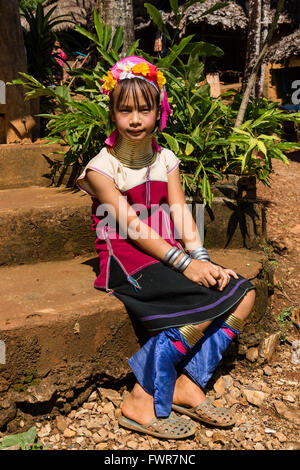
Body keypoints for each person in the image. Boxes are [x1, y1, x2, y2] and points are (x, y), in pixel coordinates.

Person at [76, 56, 256, 440]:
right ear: (112, 112)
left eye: (145, 109)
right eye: (125, 110)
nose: (136, 119)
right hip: (127, 261)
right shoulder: (100, 169)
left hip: (166, 253)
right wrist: (186, 266)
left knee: (242, 293)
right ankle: (141, 397)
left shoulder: (166, 159)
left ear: (160, 112)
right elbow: (132, 226)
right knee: (203, 304)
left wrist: (203, 260)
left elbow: (181, 215)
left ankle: (189, 384)